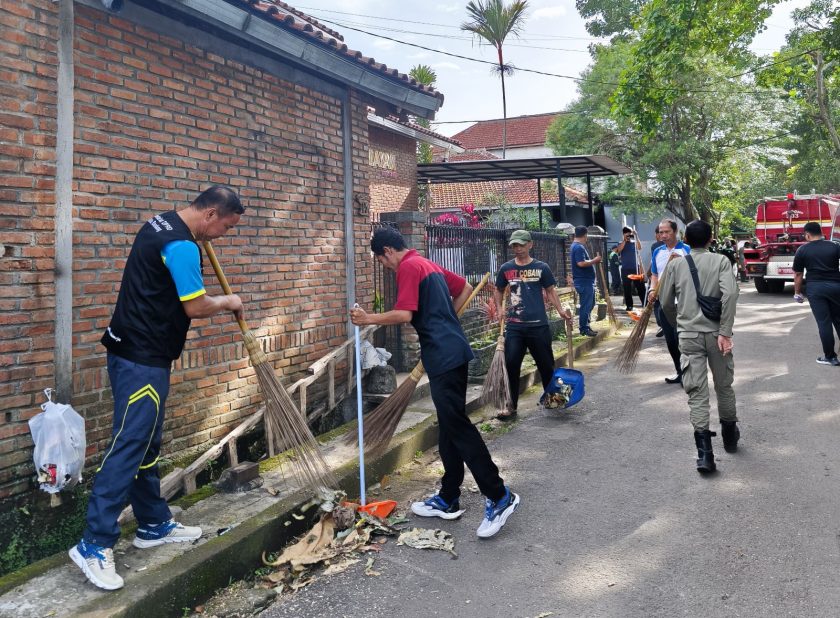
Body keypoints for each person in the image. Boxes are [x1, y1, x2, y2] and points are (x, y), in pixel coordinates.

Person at [70, 186, 246, 591]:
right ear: (210, 214)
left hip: (134, 349)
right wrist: (229, 301)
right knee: (129, 444)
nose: (222, 235)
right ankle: (93, 543)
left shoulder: (161, 223)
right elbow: (195, 305)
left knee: (146, 443)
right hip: (141, 359)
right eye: (226, 227)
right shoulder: (182, 246)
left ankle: (153, 523)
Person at [350, 228, 519, 538]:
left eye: (381, 261)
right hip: (449, 351)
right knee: (449, 426)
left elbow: (404, 314)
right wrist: (444, 322)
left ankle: (499, 495)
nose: (385, 267)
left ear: (387, 251)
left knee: (458, 427)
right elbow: (465, 287)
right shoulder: (426, 263)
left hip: (444, 355)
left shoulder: (408, 267)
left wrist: (367, 319)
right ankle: (448, 497)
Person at [659, 219, 739, 473]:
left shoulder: (676, 265)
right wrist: (725, 331)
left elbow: (665, 302)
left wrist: (679, 324)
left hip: (689, 335)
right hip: (717, 335)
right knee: (724, 386)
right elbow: (730, 294)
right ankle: (730, 437)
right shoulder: (721, 261)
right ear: (710, 239)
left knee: (697, 392)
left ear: (685, 239)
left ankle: (705, 455)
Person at [493, 230, 573, 421]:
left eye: (521, 245)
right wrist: (499, 308)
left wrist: (560, 311)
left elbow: (551, 291)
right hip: (514, 327)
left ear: (530, 244)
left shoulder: (541, 267)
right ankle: (510, 406)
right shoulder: (506, 268)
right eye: (515, 245)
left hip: (538, 326)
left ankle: (552, 400)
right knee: (511, 365)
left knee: (546, 365)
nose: (518, 249)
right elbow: (498, 289)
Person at [648, 219, 691, 384]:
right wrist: (652, 290)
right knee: (670, 340)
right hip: (663, 302)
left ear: (675, 231)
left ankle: (689, 373)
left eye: (667, 232)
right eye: (661, 232)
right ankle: (679, 371)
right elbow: (655, 275)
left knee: (682, 339)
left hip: (682, 302)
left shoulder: (687, 250)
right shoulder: (657, 251)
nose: (663, 235)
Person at [792, 221, 840, 366]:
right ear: (821, 233)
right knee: (838, 320)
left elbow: (798, 274)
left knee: (824, 322)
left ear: (807, 235)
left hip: (815, 288)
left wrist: (797, 293)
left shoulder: (802, 250)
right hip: (836, 286)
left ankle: (830, 357)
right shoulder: (834, 246)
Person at [570, 226, 601, 337]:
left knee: (590, 303)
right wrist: (595, 260)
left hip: (585, 281)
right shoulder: (578, 247)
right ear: (585, 235)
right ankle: (584, 328)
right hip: (584, 281)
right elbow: (581, 263)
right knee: (586, 305)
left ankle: (586, 325)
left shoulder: (575, 246)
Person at [617, 226, 645, 311]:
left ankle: (645, 303)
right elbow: (618, 250)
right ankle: (629, 306)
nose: (628, 236)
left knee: (640, 287)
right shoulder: (621, 243)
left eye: (629, 234)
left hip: (635, 268)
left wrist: (636, 235)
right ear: (623, 234)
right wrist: (625, 240)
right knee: (627, 288)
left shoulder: (634, 242)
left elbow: (640, 247)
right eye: (627, 234)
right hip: (625, 269)